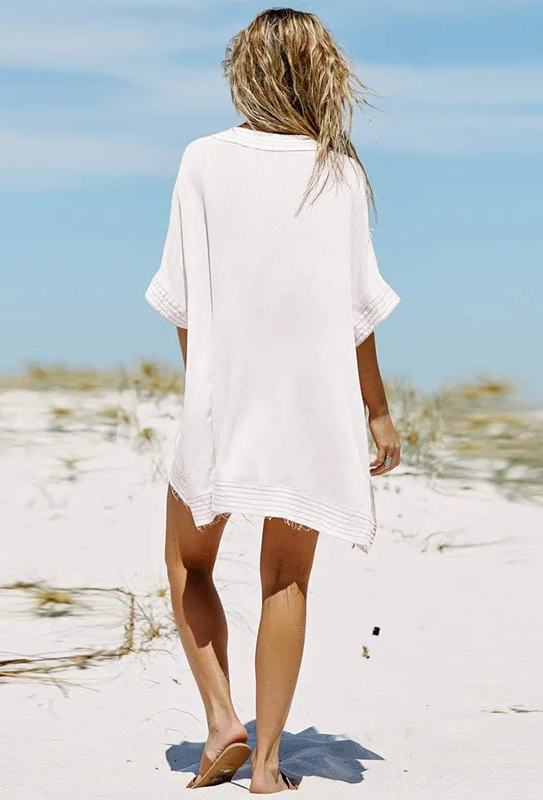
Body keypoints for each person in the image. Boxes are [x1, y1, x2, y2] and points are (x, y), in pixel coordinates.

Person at [144, 8, 401, 793]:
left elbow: (184, 304)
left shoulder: (201, 161)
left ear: (243, 71)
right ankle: (266, 766)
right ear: (320, 71)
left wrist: (208, 393)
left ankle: (223, 720)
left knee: (188, 562)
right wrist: (377, 410)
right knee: (286, 581)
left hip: (222, 402)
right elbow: (355, 313)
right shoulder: (340, 172)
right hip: (311, 411)